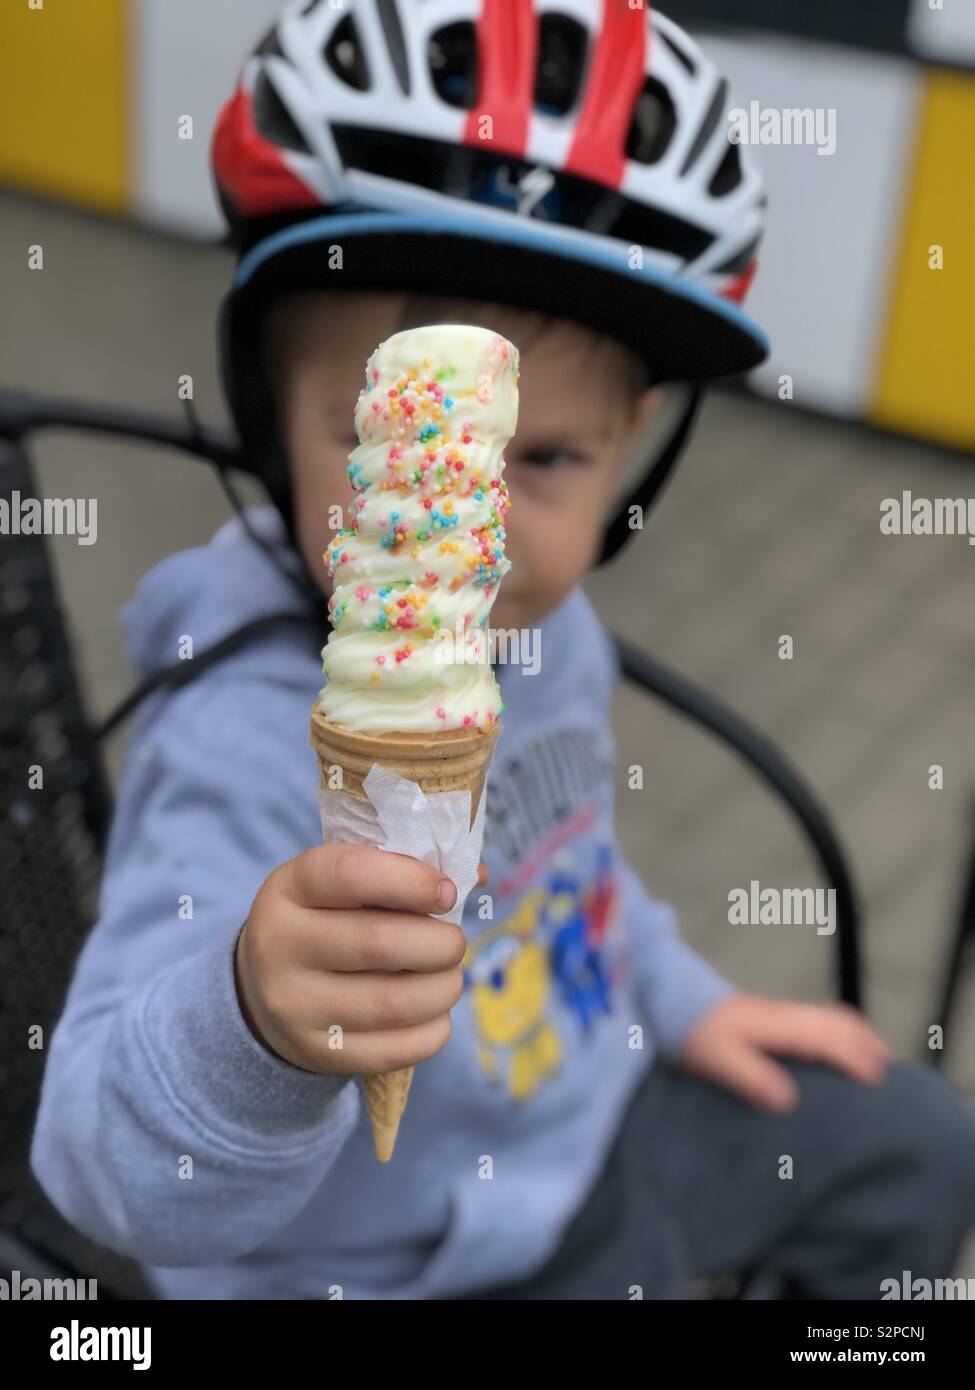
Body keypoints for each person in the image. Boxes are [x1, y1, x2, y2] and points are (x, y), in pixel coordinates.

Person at [31, 1, 975, 1300]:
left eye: (546, 460)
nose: (469, 524)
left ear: (633, 450)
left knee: (920, 1140)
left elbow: (572, 869)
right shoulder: (239, 733)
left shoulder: (556, 637)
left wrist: (689, 999)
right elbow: (101, 1163)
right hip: (382, 1263)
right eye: (400, 441)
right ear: (268, 419)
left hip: (579, 1138)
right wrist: (255, 1019)